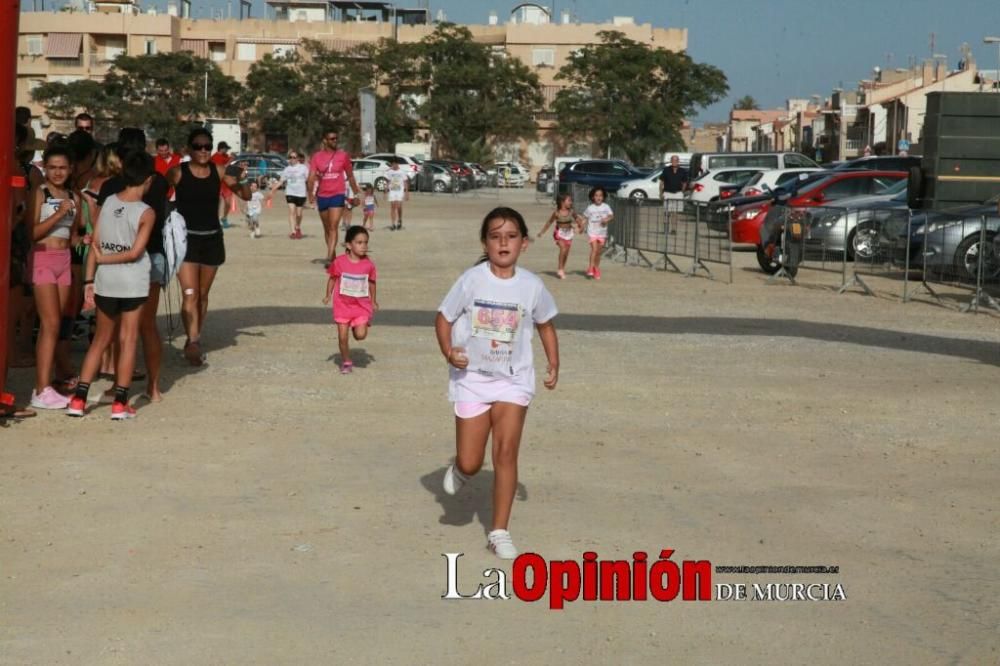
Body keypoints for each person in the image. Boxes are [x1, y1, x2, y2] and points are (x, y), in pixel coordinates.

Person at [435, 207, 560, 559]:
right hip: (472, 378)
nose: (503, 242)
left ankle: (499, 531)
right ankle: (462, 468)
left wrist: (554, 361)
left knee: (505, 452)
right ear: (485, 242)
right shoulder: (472, 280)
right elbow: (443, 319)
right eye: (495, 236)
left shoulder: (532, 286)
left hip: (513, 380)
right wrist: (449, 352)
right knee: (473, 461)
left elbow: (545, 324)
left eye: (511, 236)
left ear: (524, 242)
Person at [67, 151, 155, 420]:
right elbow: (134, 253)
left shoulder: (106, 204)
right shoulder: (146, 212)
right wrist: (108, 258)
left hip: (106, 280)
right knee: (128, 340)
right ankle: (120, 402)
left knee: (100, 340)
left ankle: (79, 399)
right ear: (148, 180)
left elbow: (95, 242)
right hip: (131, 281)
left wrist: (90, 278)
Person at [93, 129, 170, 400]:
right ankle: (153, 386)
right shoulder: (158, 181)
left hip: (115, 261)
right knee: (147, 326)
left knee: (114, 328)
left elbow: (97, 227)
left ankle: (118, 384)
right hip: (153, 255)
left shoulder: (111, 186)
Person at [166, 128, 252, 366]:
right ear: (189, 149)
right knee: (189, 293)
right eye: (198, 146)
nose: (203, 151)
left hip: (212, 239)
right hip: (186, 241)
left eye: (207, 146)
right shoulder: (177, 173)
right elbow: (158, 196)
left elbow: (245, 195)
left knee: (202, 295)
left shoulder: (220, 171)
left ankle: (195, 336)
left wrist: (242, 178)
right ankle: (192, 341)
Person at [28, 145, 82, 409]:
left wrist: (84, 239)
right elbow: (32, 232)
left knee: (56, 324)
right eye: (53, 167)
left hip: (64, 261)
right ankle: (41, 388)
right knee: (49, 324)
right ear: (45, 169)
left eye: (62, 167)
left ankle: (48, 383)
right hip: (43, 258)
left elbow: (72, 235)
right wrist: (59, 214)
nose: (58, 172)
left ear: (70, 169)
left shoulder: (74, 196)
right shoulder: (40, 193)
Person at [323, 226, 378, 374]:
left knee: (360, 335)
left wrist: (373, 300)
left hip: (361, 306)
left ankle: (358, 324)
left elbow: (372, 283)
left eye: (366, 242)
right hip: (342, 305)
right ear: (349, 245)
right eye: (359, 242)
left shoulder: (369, 265)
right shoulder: (339, 262)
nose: (363, 246)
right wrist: (328, 295)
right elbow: (332, 278)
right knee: (342, 336)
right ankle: (346, 361)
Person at [307, 130, 361, 265]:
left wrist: (356, 193)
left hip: (338, 194)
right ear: (325, 141)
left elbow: (350, 176)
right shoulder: (317, 157)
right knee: (327, 228)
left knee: (333, 226)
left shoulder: (343, 156)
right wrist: (310, 195)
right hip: (322, 196)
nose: (334, 141)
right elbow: (311, 177)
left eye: (336, 138)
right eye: (331, 139)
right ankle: (333, 258)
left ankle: (329, 257)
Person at [535, 193, 584, 279]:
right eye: (569, 200)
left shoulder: (571, 211)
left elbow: (578, 220)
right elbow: (549, 222)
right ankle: (560, 269)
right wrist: (542, 232)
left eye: (571, 201)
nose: (571, 202)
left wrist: (581, 227)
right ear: (562, 202)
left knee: (566, 253)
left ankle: (562, 268)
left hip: (569, 234)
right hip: (559, 233)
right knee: (563, 249)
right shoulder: (556, 213)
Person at [271, 149, 309, 239]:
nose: (292, 159)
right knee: (291, 212)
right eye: (290, 157)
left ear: (298, 159)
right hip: (290, 192)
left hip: (301, 193)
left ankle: (298, 227)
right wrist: (272, 190)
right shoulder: (287, 169)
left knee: (299, 214)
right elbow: (281, 181)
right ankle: (292, 232)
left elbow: (309, 180)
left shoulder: (303, 168)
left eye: (294, 157)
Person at [582, 186, 613, 280]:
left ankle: (596, 268)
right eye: (596, 195)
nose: (598, 197)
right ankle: (590, 268)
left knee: (599, 253)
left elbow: (611, 216)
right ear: (592, 197)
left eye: (600, 195)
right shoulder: (590, 208)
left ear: (603, 197)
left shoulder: (606, 206)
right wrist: (581, 226)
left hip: (602, 233)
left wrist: (606, 219)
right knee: (594, 249)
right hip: (592, 232)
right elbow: (585, 218)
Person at [658, 154, 688, 234]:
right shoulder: (666, 170)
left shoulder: (682, 171)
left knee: (675, 213)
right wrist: (661, 193)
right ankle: (665, 229)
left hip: (678, 193)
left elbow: (685, 182)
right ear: (671, 161)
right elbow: (661, 182)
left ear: (678, 161)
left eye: (676, 160)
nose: (674, 162)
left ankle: (673, 229)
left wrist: (682, 191)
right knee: (666, 212)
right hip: (667, 193)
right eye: (673, 160)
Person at [211, 141, 234, 229]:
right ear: (221, 148)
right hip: (217, 183)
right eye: (226, 148)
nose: (227, 150)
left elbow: (229, 165)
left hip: (226, 183)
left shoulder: (226, 156)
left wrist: (233, 158)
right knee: (218, 202)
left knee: (228, 203)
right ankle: (215, 221)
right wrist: (229, 162)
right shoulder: (214, 157)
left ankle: (224, 218)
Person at [385, 157, 409, 231]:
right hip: (392, 191)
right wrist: (386, 189)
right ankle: (393, 224)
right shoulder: (389, 172)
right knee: (392, 207)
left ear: (397, 164)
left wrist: (407, 192)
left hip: (400, 191)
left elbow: (405, 182)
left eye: (395, 164)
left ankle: (399, 219)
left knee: (398, 207)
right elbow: (388, 180)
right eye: (392, 164)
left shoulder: (402, 172)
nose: (394, 165)